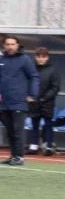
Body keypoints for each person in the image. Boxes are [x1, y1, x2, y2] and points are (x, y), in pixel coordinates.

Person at [0, 35, 40, 165]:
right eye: (8, 44)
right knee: (10, 131)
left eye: (13, 44)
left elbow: (34, 77)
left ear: (17, 45)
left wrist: (32, 94)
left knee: (18, 130)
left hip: (19, 102)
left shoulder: (25, 59)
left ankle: (19, 157)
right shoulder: (1, 59)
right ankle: (13, 155)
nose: (10, 47)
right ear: (4, 45)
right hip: (3, 102)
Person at [27, 47, 60, 156]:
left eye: (43, 57)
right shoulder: (31, 69)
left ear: (47, 58)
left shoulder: (53, 70)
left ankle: (48, 147)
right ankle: (33, 146)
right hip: (33, 102)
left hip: (47, 102)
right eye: (39, 57)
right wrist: (29, 96)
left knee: (48, 125)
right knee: (34, 125)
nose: (41, 59)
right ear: (35, 57)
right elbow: (28, 83)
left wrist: (43, 99)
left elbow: (55, 87)